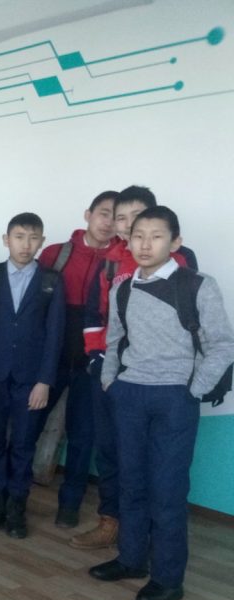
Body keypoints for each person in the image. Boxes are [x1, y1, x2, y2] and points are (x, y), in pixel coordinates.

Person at [92, 206, 234, 600]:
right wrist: (111, 382)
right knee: (131, 482)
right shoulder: (122, 288)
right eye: (138, 235)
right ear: (128, 241)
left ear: (175, 242)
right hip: (129, 396)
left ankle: (168, 579)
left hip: (174, 398)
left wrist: (193, 390)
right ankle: (132, 559)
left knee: (167, 489)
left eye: (156, 236)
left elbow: (223, 344)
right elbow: (115, 341)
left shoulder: (197, 285)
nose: (145, 244)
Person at [74, 185, 195, 550]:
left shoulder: (182, 261)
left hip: (161, 381)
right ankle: (112, 522)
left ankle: (152, 536)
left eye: (136, 217)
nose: (127, 226)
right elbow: (94, 315)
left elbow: (192, 320)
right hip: (113, 374)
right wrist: (99, 363)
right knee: (111, 451)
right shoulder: (109, 260)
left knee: (157, 461)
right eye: (120, 218)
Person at [0, 213, 65, 538]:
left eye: (33, 237)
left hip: (31, 379)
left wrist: (45, 381)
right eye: (19, 237)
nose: (25, 244)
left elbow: (55, 335)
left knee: (24, 443)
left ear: (42, 241)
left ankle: (16, 506)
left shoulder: (51, 281)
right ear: (6, 240)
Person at [36, 190, 117, 529]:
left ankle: (69, 503)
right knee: (29, 424)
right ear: (88, 214)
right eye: (103, 213)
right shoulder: (56, 253)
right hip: (51, 358)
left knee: (83, 436)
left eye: (115, 216)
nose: (108, 222)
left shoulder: (120, 260)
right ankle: (9, 494)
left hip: (91, 361)